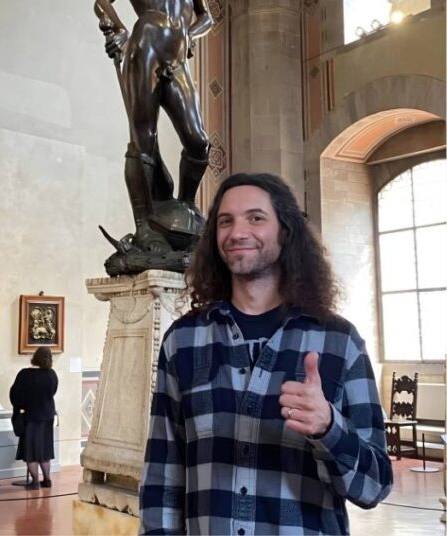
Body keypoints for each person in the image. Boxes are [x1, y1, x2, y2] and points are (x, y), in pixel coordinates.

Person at [139, 173, 392, 534]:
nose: (238, 232)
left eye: (256, 218)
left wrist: (329, 427)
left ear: (285, 232)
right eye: (226, 221)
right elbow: (162, 477)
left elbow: (375, 486)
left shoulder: (339, 342)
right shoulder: (183, 340)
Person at [94, 0, 213, 254]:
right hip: (146, 43)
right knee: (143, 139)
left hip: (178, 58)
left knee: (199, 142)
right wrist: (120, 30)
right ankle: (143, 225)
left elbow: (207, 18)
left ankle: (187, 205)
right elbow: (101, 2)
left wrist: (190, 34)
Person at [9, 347, 59, 490]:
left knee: (30, 451)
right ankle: (47, 480)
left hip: (31, 417)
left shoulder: (25, 374)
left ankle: (35, 481)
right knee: (45, 451)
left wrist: (20, 406)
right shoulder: (52, 374)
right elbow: (53, 391)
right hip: (47, 416)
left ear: (35, 357)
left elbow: (15, 395)